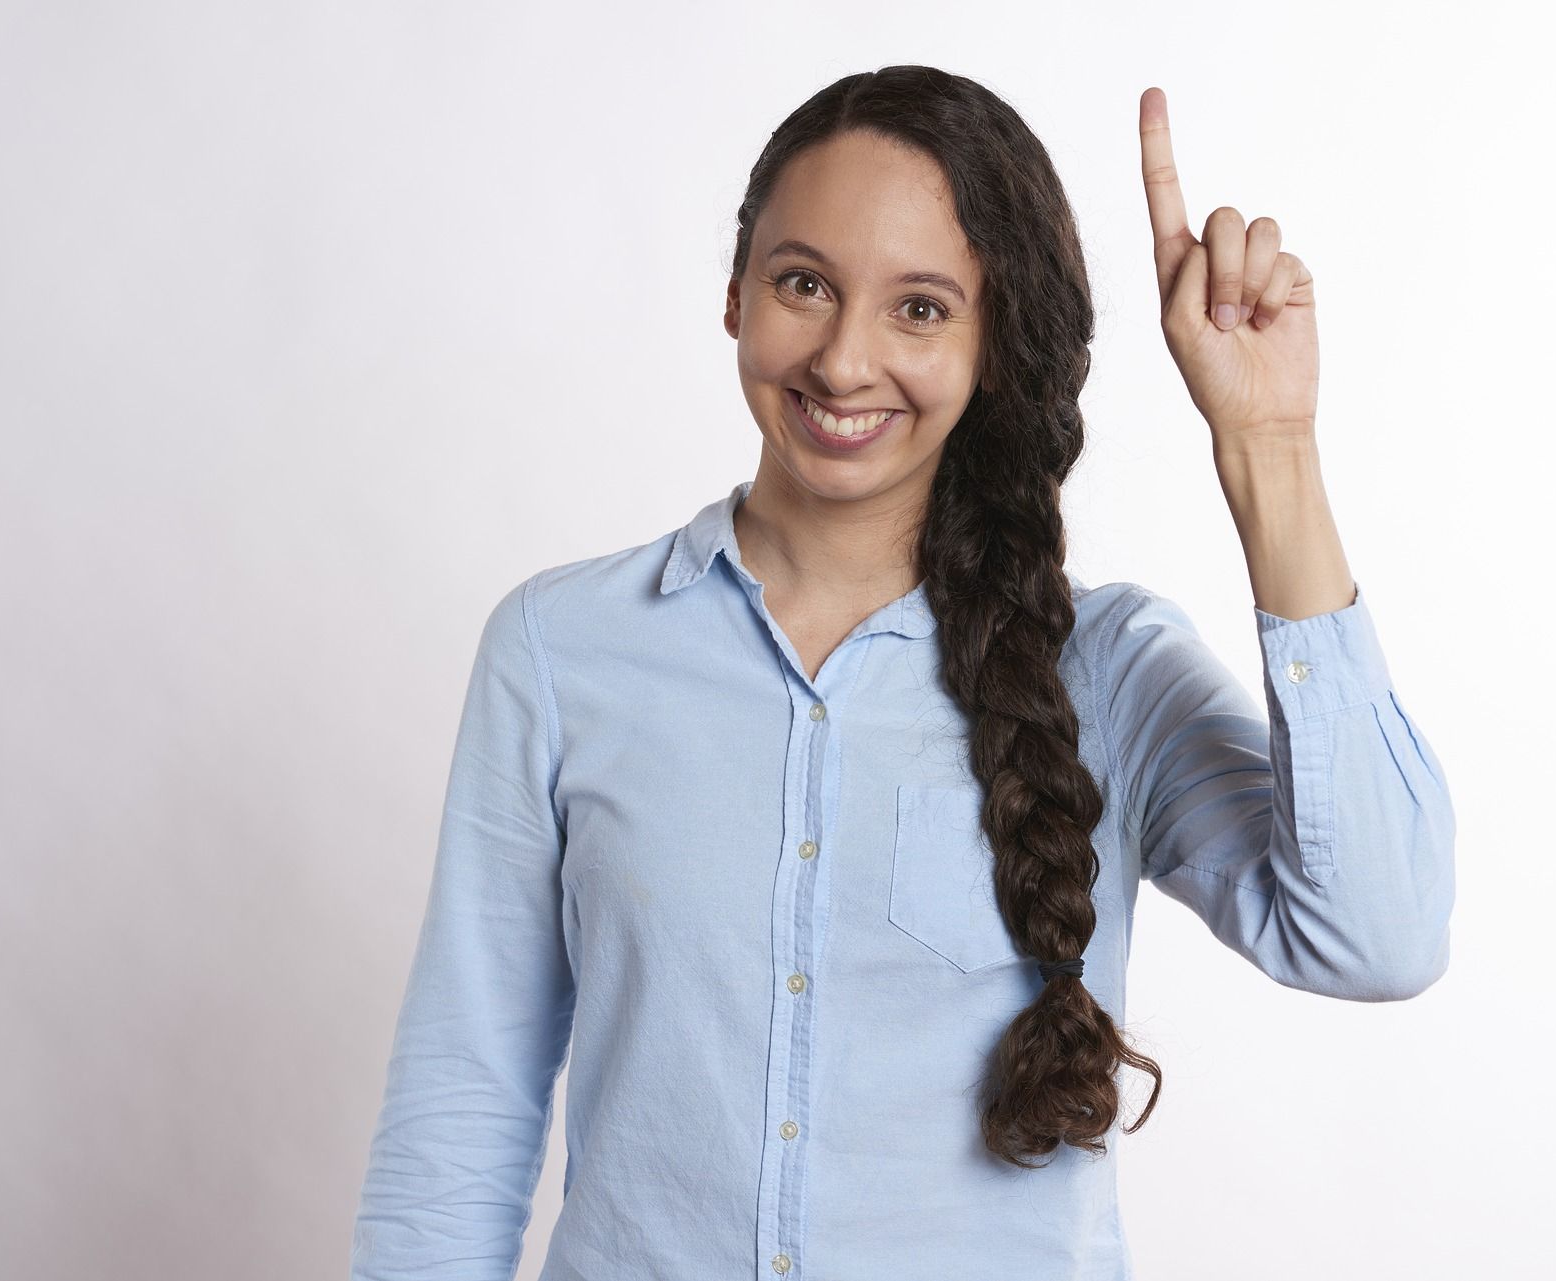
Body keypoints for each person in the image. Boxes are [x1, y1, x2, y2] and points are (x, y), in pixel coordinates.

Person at [350, 66, 1456, 1281]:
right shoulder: (562, 650)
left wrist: (1270, 447)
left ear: (994, 342)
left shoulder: (1112, 673)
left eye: (920, 308)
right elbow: (465, 1107)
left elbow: (1377, 935)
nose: (841, 358)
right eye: (804, 284)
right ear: (735, 295)